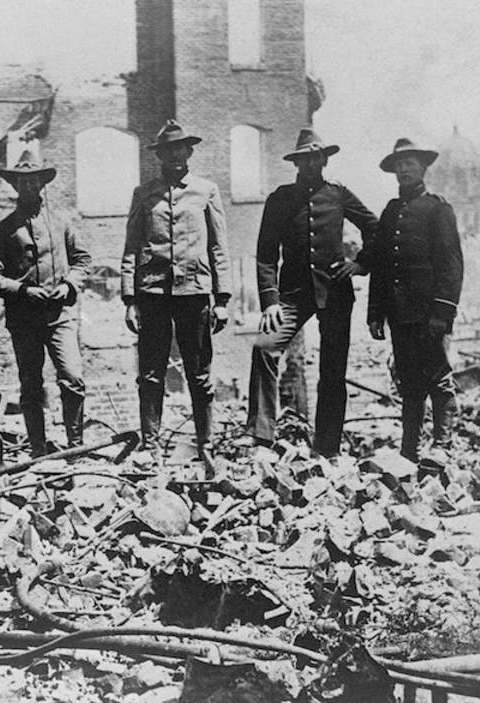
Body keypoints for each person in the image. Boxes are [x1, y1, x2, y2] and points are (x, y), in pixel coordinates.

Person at [247, 129, 379, 457]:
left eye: (316, 157)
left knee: (332, 372)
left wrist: (360, 264)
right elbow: (266, 252)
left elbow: (375, 227)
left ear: (325, 159)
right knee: (264, 348)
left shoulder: (338, 193)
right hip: (292, 295)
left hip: (335, 292)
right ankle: (263, 438)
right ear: (296, 163)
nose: (310, 163)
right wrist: (270, 301)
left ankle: (327, 449)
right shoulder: (280, 199)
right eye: (304, 158)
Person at [121, 120, 230, 470]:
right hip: (153, 293)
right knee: (150, 374)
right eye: (169, 150)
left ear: (190, 151)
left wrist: (223, 299)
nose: (175, 155)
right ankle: (151, 449)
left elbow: (218, 247)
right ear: (161, 156)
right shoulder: (144, 193)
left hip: (194, 293)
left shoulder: (206, 191)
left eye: (181, 149)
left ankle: (206, 446)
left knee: (199, 374)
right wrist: (129, 299)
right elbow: (131, 247)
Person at [361, 138, 464, 462]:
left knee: (437, 377)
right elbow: (380, 265)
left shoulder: (437, 208)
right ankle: (409, 450)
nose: (404, 169)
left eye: (410, 163)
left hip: (428, 312)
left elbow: (451, 263)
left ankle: (442, 446)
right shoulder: (391, 211)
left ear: (423, 168)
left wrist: (442, 311)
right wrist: (375, 312)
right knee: (409, 382)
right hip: (398, 313)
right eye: (399, 165)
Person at [0, 151, 92, 457]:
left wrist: (69, 284)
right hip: (24, 320)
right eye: (24, 183)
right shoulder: (4, 229)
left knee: (72, 378)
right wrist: (22, 291)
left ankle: (75, 448)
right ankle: (38, 451)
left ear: (42, 184)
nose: (30, 188)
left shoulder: (62, 223)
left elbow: (83, 261)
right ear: (16, 187)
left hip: (60, 316)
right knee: (31, 385)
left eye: (34, 182)